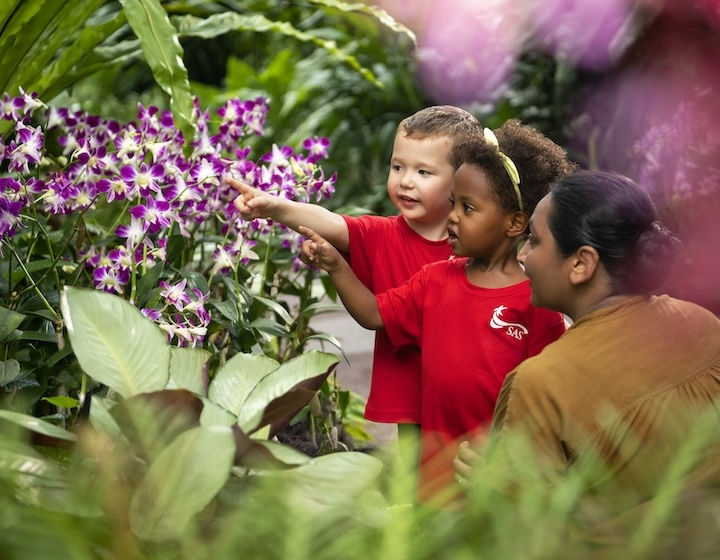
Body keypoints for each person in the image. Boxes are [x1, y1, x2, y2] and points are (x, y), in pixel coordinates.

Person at [299, 119, 576, 509]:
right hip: (434, 473)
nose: (452, 218)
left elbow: (548, 394)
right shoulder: (434, 279)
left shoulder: (536, 301)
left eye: (468, 208)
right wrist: (336, 266)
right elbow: (374, 314)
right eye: (452, 205)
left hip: (498, 474)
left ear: (515, 223)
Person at [453, 170, 720, 544]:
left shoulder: (541, 383)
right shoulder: (703, 325)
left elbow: (528, 542)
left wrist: (494, 487)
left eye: (534, 239)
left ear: (581, 263)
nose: (523, 254)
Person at [227, 106, 482, 477]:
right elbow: (330, 223)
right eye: (398, 167)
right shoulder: (383, 235)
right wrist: (275, 206)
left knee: (470, 468)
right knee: (418, 473)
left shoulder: (478, 242)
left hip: (468, 387)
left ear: (462, 180)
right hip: (413, 389)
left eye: (423, 172)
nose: (406, 181)